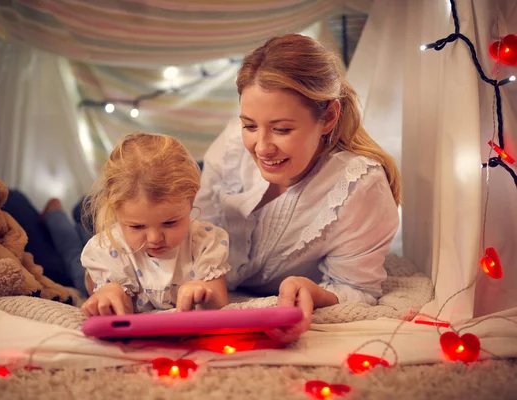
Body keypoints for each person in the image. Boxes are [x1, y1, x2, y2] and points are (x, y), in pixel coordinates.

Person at [195, 34, 401, 343]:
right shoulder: (232, 146)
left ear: (329, 117)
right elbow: (192, 235)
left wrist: (316, 293)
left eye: (281, 129)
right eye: (250, 125)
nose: (261, 147)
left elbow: (358, 289)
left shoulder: (360, 186)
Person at [80, 133, 231, 316]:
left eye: (170, 223)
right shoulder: (107, 250)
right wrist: (110, 294)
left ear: (191, 199)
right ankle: (54, 216)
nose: (155, 239)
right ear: (115, 209)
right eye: (137, 227)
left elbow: (220, 306)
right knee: (69, 252)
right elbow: (122, 315)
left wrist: (204, 292)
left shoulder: (204, 242)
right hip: (96, 262)